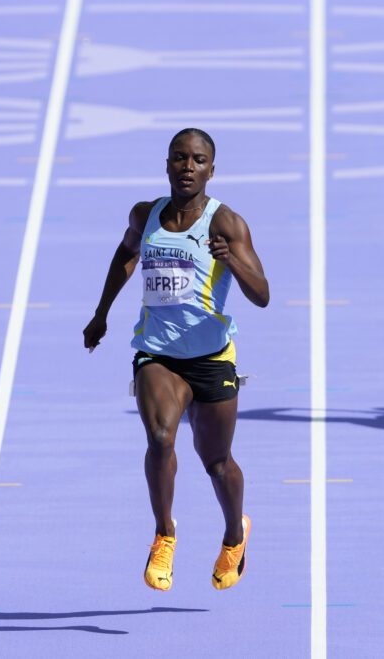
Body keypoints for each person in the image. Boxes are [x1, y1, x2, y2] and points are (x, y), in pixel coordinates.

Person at [83, 128, 269, 591]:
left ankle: (233, 536)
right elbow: (126, 255)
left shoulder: (226, 223)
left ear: (211, 169)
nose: (188, 167)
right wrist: (101, 314)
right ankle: (164, 533)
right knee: (161, 436)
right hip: (158, 353)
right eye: (179, 158)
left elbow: (262, 294)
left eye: (198, 160)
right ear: (167, 164)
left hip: (210, 356)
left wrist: (233, 259)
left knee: (217, 461)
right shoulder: (145, 215)